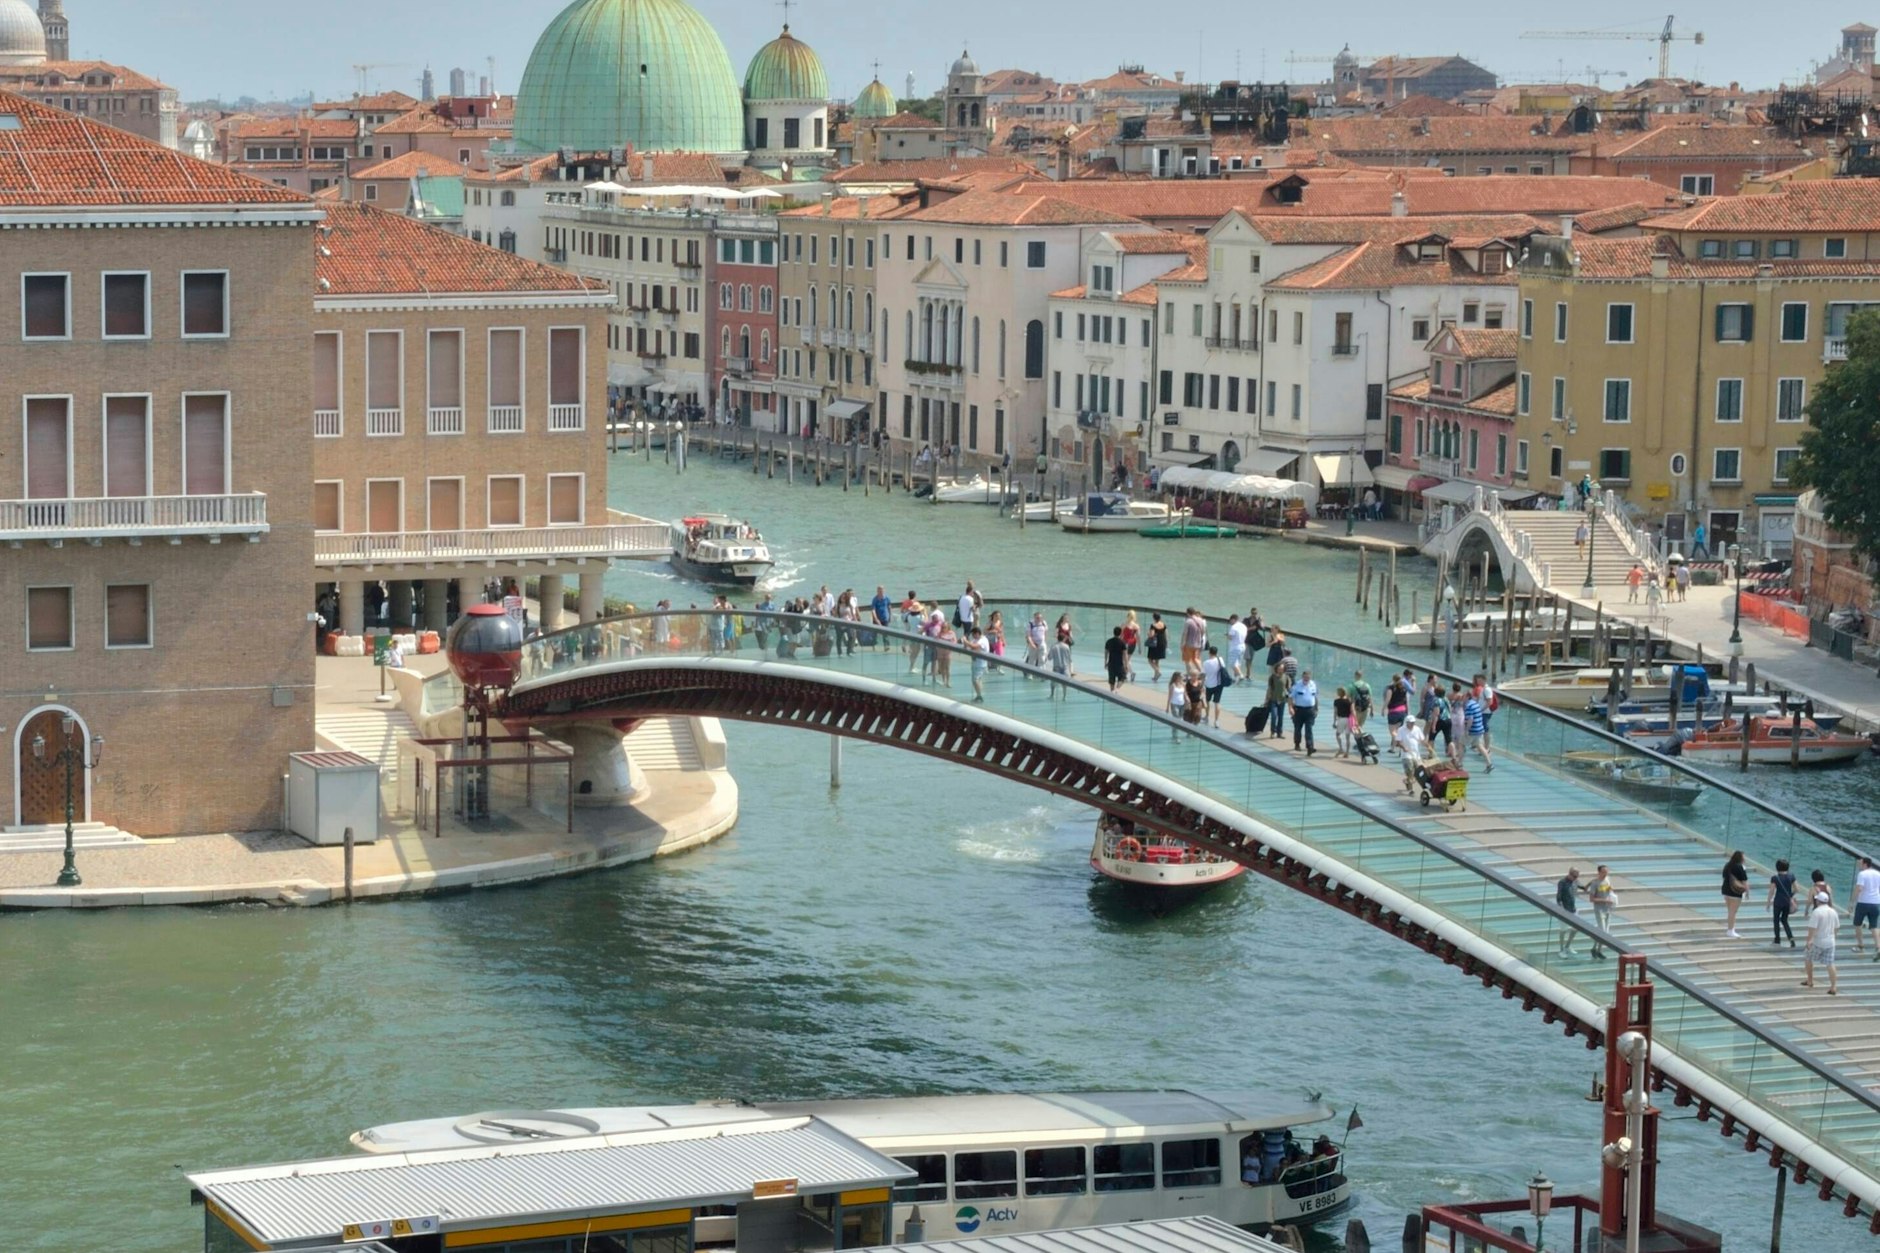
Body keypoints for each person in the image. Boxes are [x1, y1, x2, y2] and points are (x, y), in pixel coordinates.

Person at [1804, 891, 1840, 995]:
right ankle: (1833, 986)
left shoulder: (1817, 912)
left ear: (1817, 901)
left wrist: (1809, 940)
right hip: (1830, 942)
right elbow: (1837, 927)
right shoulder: (1833, 911)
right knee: (1830, 964)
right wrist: (1833, 936)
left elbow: (1812, 928)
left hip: (1818, 941)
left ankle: (1810, 980)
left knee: (1808, 958)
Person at [1463, 684, 1495, 772]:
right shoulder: (1476, 704)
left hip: (1472, 730)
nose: (1463, 698)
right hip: (1479, 730)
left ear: (1467, 697)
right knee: (1480, 746)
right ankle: (1489, 764)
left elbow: (1470, 719)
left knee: (1461, 745)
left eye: (1464, 696)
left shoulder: (1469, 706)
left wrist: (1466, 730)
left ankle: (1459, 764)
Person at [1768, 858, 1799, 949]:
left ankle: (1777, 940)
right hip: (1787, 902)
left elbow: (1771, 891)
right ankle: (1791, 939)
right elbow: (1797, 889)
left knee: (1776, 920)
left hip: (1778, 901)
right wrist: (1790, 895)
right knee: (1784, 920)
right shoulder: (1791, 876)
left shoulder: (1775, 878)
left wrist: (1768, 902)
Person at [1394, 716, 1430, 794]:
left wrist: (1428, 747)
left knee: (1418, 772)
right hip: (1406, 754)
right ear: (1407, 722)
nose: (1412, 724)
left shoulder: (1417, 729)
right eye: (1410, 723)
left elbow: (1422, 740)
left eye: (1413, 723)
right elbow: (1398, 742)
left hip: (1416, 754)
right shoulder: (1401, 730)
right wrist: (1403, 747)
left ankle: (1407, 781)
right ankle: (1411, 789)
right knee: (1410, 770)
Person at [1852, 856, 1880, 955]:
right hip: (1876, 903)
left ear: (1865, 864)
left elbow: (1859, 888)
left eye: (1860, 863)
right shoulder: (1878, 873)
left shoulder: (1862, 874)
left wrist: (1852, 902)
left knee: (1857, 924)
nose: (1859, 865)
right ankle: (1878, 947)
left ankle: (1861, 946)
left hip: (1863, 902)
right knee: (1874, 926)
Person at [1587, 864, 1615, 959]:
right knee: (1602, 931)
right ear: (1599, 872)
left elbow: (1609, 889)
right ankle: (1596, 950)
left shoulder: (1607, 879)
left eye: (1606, 872)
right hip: (1599, 909)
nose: (1605, 874)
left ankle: (1597, 950)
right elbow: (1591, 899)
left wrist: (1611, 891)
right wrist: (1605, 900)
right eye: (1603, 872)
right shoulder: (1595, 883)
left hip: (1607, 908)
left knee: (1605, 932)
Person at [1290, 669, 1319, 755]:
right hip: (1299, 710)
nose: (1306, 679)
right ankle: (1297, 743)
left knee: (1309, 729)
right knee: (1298, 728)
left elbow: (1315, 697)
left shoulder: (1313, 684)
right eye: (1305, 677)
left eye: (1308, 677)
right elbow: (1291, 697)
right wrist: (1290, 708)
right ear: (1302, 677)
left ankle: (1310, 747)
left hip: (1310, 710)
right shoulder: (1297, 685)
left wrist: (1317, 709)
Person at [1722, 850, 1750, 938]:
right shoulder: (1740, 867)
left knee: (1730, 911)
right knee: (1733, 912)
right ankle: (1730, 930)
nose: (1745, 858)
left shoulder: (1727, 865)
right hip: (1735, 892)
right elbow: (1744, 881)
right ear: (1740, 858)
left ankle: (1730, 929)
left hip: (1726, 890)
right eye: (1743, 857)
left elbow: (1724, 877)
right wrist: (1747, 892)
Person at [1556, 867, 1583, 956]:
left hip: (1573, 909)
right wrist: (1562, 910)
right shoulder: (1562, 882)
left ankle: (1567, 946)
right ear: (1569, 874)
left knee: (1576, 928)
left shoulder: (1575, 881)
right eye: (1574, 876)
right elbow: (1559, 897)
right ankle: (1561, 949)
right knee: (1563, 930)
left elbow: (1583, 887)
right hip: (1564, 909)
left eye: (1577, 876)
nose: (1576, 878)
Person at [1201, 646, 1227, 728]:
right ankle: (1216, 721)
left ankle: (1207, 717)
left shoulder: (1206, 663)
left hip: (1208, 684)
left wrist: (1201, 685)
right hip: (1219, 684)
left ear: (1209, 652)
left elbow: (1203, 675)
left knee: (1207, 701)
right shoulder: (1220, 660)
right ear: (1216, 652)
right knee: (1217, 702)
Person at [1265, 663, 1289, 740]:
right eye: (1279, 668)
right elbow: (1269, 688)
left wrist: (1288, 698)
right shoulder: (1272, 677)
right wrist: (1266, 699)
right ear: (1276, 669)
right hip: (1274, 700)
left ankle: (1279, 732)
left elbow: (1288, 688)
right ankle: (1273, 731)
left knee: (1281, 717)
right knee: (1274, 716)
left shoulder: (1286, 677)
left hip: (1282, 700)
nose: (1280, 670)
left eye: (1282, 669)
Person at [967, 626, 991, 703]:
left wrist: (966, 641)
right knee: (978, 679)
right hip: (975, 662)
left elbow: (974, 646)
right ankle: (979, 694)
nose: (973, 636)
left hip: (980, 663)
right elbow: (970, 646)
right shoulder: (975, 639)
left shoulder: (982, 640)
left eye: (973, 634)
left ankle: (979, 696)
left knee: (975, 680)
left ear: (977, 633)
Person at [1181, 607, 1207, 675]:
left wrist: (1182, 644)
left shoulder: (1188, 621)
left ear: (1188, 613)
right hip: (1198, 644)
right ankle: (1202, 671)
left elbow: (1185, 633)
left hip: (1189, 644)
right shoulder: (1201, 620)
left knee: (1188, 660)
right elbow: (1203, 632)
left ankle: (1189, 674)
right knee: (1196, 659)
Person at [1104, 627, 1128, 693]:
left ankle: (1112, 691)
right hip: (1119, 663)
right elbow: (1125, 655)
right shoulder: (1122, 643)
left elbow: (1106, 653)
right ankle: (1117, 689)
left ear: (1113, 632)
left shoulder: (1109, 641)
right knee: (1122, 678)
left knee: (1112, 680)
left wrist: (1105, 662)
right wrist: (1126, 665)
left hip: (1111, 663)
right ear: (1120, 633)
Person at [1145, 613, 1169, 682]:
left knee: (1150, 660)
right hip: (1162, 642)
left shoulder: (1153, 625)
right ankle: (1155, 676)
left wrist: (1148, 634)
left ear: (1154, 618)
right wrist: (1166, 644)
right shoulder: (1164, 625)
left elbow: (1152, 635)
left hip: (1155, 644)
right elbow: (1166, 635)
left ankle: (1157, 671)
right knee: (1157, 660)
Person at [1333, 687, 1355, 758]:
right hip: (1349, 719)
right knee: (1348, 737)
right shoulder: (1349, 701)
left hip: (1341, 719)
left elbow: (1335, 712)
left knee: (1338, 734)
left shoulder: (1336, 701)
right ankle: (1347, 752)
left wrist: (1334, 722)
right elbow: (1352, 711)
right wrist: (1355, 721)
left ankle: (1341, 748)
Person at [1226, 614, 1248, 680]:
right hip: (1242, 645)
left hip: (1235, 646)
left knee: (1233, 663)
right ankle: (1235, 677)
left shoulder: (1234, 627)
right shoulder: (1244, 626)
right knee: (1238, 663)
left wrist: (1227, 635)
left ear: (1233, 619)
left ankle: (1240, 675)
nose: (1230, 622)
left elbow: (1230, 637)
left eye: (1230, 620)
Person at [1121, 610, 1140, 682]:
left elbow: (1121, 635)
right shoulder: (1136, 626)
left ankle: (1130, 673)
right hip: (1133, 643)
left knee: (1124, 660)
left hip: (1125, 643)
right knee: (1127, 660)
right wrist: (1139, 647)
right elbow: (1138, 637)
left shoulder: (1124, 624)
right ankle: (1126, 674)